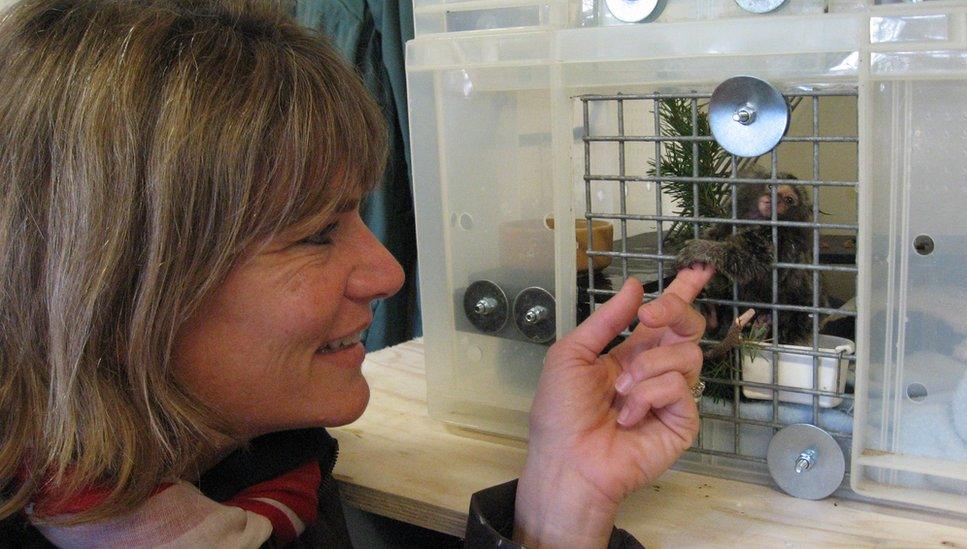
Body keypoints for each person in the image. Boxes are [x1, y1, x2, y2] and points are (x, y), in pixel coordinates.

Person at [0, 0, 711, 547]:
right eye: (316, 234)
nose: (388, 272)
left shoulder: (264, 471)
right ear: (114, 284)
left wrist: (564, 495)